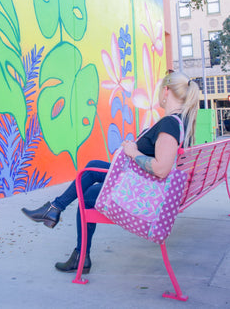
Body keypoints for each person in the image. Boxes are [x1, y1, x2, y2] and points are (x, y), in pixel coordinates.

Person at [22, 71, 199, 274]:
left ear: (166, 91)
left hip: (143, 193)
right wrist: (133, 148)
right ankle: (54, 209)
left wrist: (132, 153)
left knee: (87, 195)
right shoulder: (179, 122)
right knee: (91, 168)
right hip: (142, 182)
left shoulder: (170, 124)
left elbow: (161, 168)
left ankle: (76, 248)